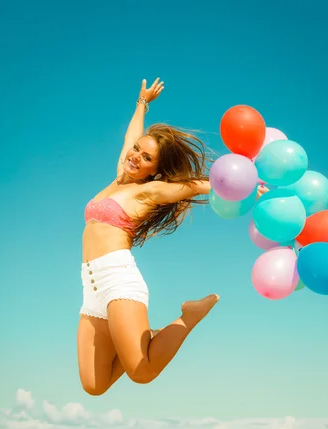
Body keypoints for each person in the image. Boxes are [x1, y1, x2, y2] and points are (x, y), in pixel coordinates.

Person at [78, 78, 265, 396]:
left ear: (155, 170)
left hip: (118, 281)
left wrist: (246, 184)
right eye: (137, 151)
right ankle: (143, 333)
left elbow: (194, 185)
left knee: (142, 371)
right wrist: (142, 103)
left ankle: (190, 316)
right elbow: (131, 136)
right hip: (91, 285)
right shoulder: (120, 177)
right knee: (94, 386)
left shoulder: (149, 192)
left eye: (146, 158)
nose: (136, 156)